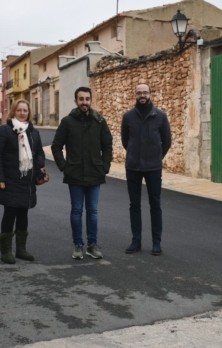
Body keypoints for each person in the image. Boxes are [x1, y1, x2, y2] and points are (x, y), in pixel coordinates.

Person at [52, 86, 113, 260]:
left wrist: (105, 166)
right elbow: (56, 146)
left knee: (93, 211)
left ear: (91, 100)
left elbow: (107, 145)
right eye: (81, 99)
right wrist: (64, 166)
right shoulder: (67, 122)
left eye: (87, 99)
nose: (84, 102)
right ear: (76, 101)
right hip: (75, 174)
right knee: (77, 210)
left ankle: (92, 245)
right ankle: (78, 245)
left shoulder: (100, 121)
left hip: (95, 173)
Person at [0, 99, 48, 264]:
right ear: (13, 112)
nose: (22, 113)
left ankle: (21, 250)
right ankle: (6, 251)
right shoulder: (4, 131)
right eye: (19, 110)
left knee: (23, 214)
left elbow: (39, 154)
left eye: (25, 110)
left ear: (29, 113)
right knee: (9, 214)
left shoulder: (33, 132)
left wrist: (39, 171)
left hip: (26, 181)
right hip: (9, 180)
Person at [121, 83, 172, 256]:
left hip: (153, 168)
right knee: (134, 205)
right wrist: (135, 154)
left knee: (155, 205)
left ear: (150, 94)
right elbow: (125, 141)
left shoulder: (160, 117)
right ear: (135, 95)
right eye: (139, 93)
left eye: (145, 92)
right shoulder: (128, 117)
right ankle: (136, 241)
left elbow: (167, 142)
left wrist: (156, 157)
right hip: (133, 167)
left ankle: (156, 243)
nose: (142, 95)